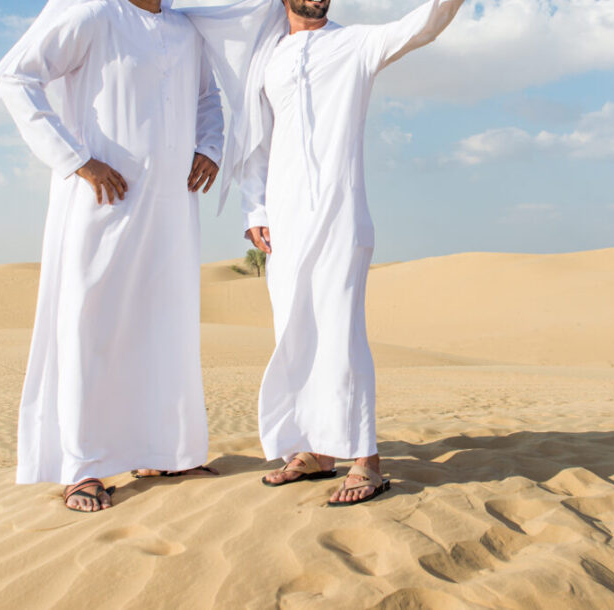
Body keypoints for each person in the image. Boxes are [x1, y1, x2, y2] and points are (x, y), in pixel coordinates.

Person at [0, 0, 224, 512]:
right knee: (89, 327)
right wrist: (76, 160)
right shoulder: (94, 15)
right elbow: (18, 78)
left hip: (172, 208)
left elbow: (209, 98)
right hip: (103, 203)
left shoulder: (186, 30)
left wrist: (210, 145)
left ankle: (165, 451)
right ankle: (81, 468)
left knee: (164, 324)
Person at [181, 0, 463, 506]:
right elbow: (256, 144)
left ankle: (366, 461)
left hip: (340, 216)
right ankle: (314, 451)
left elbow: (425, 24)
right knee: (294, 329)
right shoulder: (268, 59)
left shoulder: (356, 44)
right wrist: (255, 210)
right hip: (284, 222)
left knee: (340, 331)